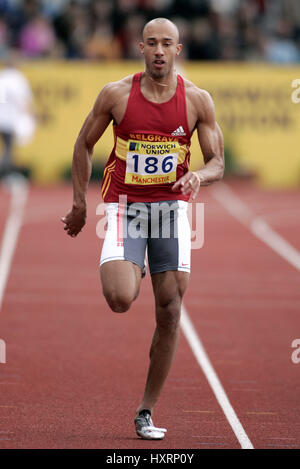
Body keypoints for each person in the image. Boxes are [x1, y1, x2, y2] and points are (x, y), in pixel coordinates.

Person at [62, 17, 224, 440]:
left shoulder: (197, 101)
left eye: (165, 44)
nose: (157, 51)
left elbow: (218, 162)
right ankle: (132, 260)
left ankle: (146, 411)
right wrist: (80, 204)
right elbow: (83, 142)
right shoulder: (116, 95)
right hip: (124, 207)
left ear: (177, 50)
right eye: (150, 43)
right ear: (140, 47)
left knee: (170, 310)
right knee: (120, 297)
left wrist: (198, 177)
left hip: (171, 209)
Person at [0, 55, 35, 175]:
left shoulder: (2, 77)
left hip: (2, 118)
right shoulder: (18, 79)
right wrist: (29, 117)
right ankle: (5, 173)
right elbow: (24, 101)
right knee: (9, 150)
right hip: (10, 120)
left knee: (7, 149)